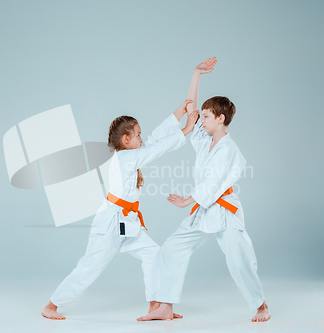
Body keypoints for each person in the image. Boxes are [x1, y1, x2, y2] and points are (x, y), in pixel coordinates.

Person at [137, 57, 271, 322]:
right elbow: (192, 112)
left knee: (238, 261)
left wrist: (187, 200)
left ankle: (261, 305)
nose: (203, 120)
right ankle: (166, 305)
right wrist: (196, 75)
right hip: (203, 211)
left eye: (208, 116)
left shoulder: (228, 150)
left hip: (225, 211)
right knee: (172, 248)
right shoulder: (205, 140)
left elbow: (212, 184)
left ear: (221, 119)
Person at [42, 101, 200, 320]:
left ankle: (155, 307)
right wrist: (185, 130)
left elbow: (154, 139)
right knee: (89, 267)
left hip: (127, 224)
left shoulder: (131, 154)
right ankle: (52, 305)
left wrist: (178, 114)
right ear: (126, 140)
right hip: (110, 225)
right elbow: (156, 148)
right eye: (137, 135)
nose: (141, 139)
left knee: (154, 255)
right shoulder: (126, 158)